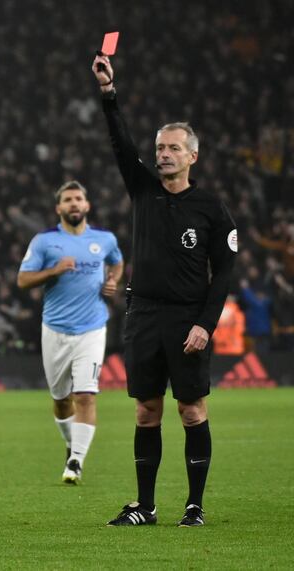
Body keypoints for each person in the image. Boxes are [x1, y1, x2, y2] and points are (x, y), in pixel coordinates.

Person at [92, 54, 237, 527]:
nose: (163, 154)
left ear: (193, 155)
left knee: (192, 411)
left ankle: (194, 506)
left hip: (187, 318)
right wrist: (109, 95)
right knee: (145, 411)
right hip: (144, 316)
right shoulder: (144, 190)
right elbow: (120, 145)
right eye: (159, 147)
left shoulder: (211, 208)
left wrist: (204, 324)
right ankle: (146, 507)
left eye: (173, 148)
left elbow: (226, 272)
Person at [17, 180, 123, 484]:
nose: (74, 203)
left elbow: (117, 262)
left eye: (78, 198)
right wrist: (53, 271)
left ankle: (76, 461)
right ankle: (71, 443)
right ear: (58, 208)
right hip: (55, 329)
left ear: (87, 206)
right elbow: (23, 280)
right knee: (62, 399)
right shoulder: (44, 242)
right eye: (68, 199)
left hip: (92, 328)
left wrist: (112, 281)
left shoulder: (104, 239)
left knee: (86, 395)